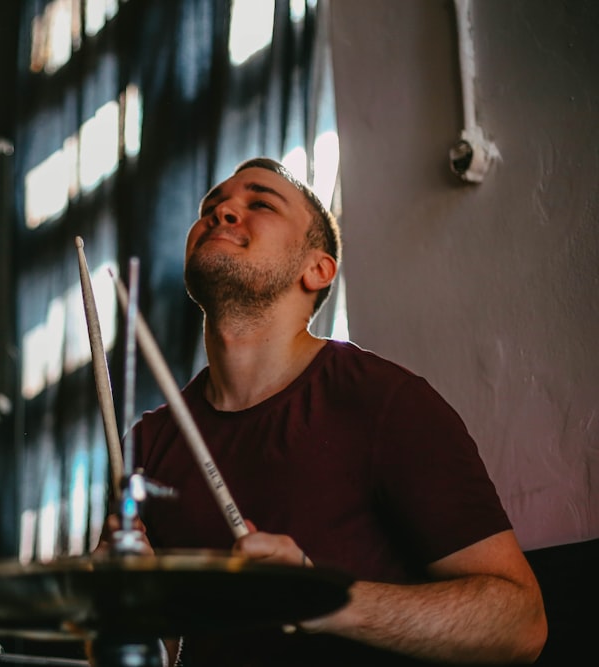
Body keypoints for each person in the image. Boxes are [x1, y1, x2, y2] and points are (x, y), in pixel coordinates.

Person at [96, 158, 547, 666]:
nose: (221, 210)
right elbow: (151, 651)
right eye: (211, 206)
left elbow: (521, 623)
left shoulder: (384, 402)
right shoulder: (148, 444)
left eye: (260, 203)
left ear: (317, 269)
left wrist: (322, 599)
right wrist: (119, 615)